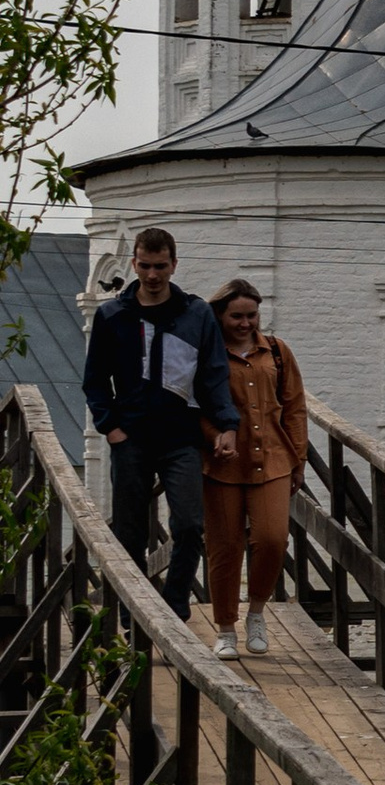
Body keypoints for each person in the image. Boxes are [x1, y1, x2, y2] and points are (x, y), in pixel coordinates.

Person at [80, 226, 239, 624]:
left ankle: (174, 607)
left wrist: (226, 424)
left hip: (181, 436)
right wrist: (110, 427)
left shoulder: (195, 313)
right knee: (130, 532)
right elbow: (95, 379)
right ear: (134, 264)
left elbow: (214, 374)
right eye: (146, 266)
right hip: (130, 436)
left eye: (161, 266)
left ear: (174, 264)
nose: (153, 275)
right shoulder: (112, 314)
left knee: (188, 524)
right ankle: (134, 613)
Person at [202, 280, 308, 659]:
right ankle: (226, 627)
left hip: (274, 458)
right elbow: (194, 405)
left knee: (273, 538)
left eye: (252, 315)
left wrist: (299, 459)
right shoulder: (207, 353)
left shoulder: (277, 352)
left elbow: (294, 406)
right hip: (223, 463)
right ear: (220, 315)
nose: (245, 323)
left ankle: (257, 612)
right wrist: (214, 435)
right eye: (237, 316)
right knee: (225, 546)